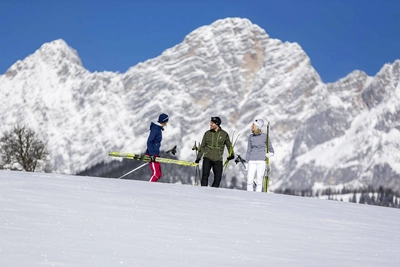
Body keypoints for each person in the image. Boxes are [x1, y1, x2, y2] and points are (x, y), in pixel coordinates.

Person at [195, 117, 234, 187]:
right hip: (207, 157)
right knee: (205, 175)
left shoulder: (224, 134)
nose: (210, 124)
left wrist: (231, 154)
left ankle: (213, 193)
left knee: (218, 178)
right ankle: (203, 192)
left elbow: (229, 145)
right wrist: (198, 157)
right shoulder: (207, 133)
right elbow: (202, 146)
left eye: (212, 123)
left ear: (217, 124)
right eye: (210, 123)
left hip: (218, 159)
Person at [245, 119, 274, 192]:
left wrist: (270, 154)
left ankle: (258, 197)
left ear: (258, 126)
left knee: (259, 180)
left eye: (253, 125)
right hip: (251, 160)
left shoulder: (265, 136)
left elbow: (271, 149)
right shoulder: (250, 137)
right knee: (249, 179)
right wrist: (246, 162)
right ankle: (248, 195)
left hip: (261, 161)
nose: (252, 126)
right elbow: (248, 150)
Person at [146, 113, 169, 182]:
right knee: (156, 174)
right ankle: (148, 188)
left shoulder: (158, 128)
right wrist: (152, 155)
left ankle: (152, 188)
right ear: (164, 121)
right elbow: (149, 141)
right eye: (167, 121)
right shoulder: (155, 129)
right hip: (151, 154)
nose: (167, 123)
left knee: (159, 174)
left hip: (155, 154)